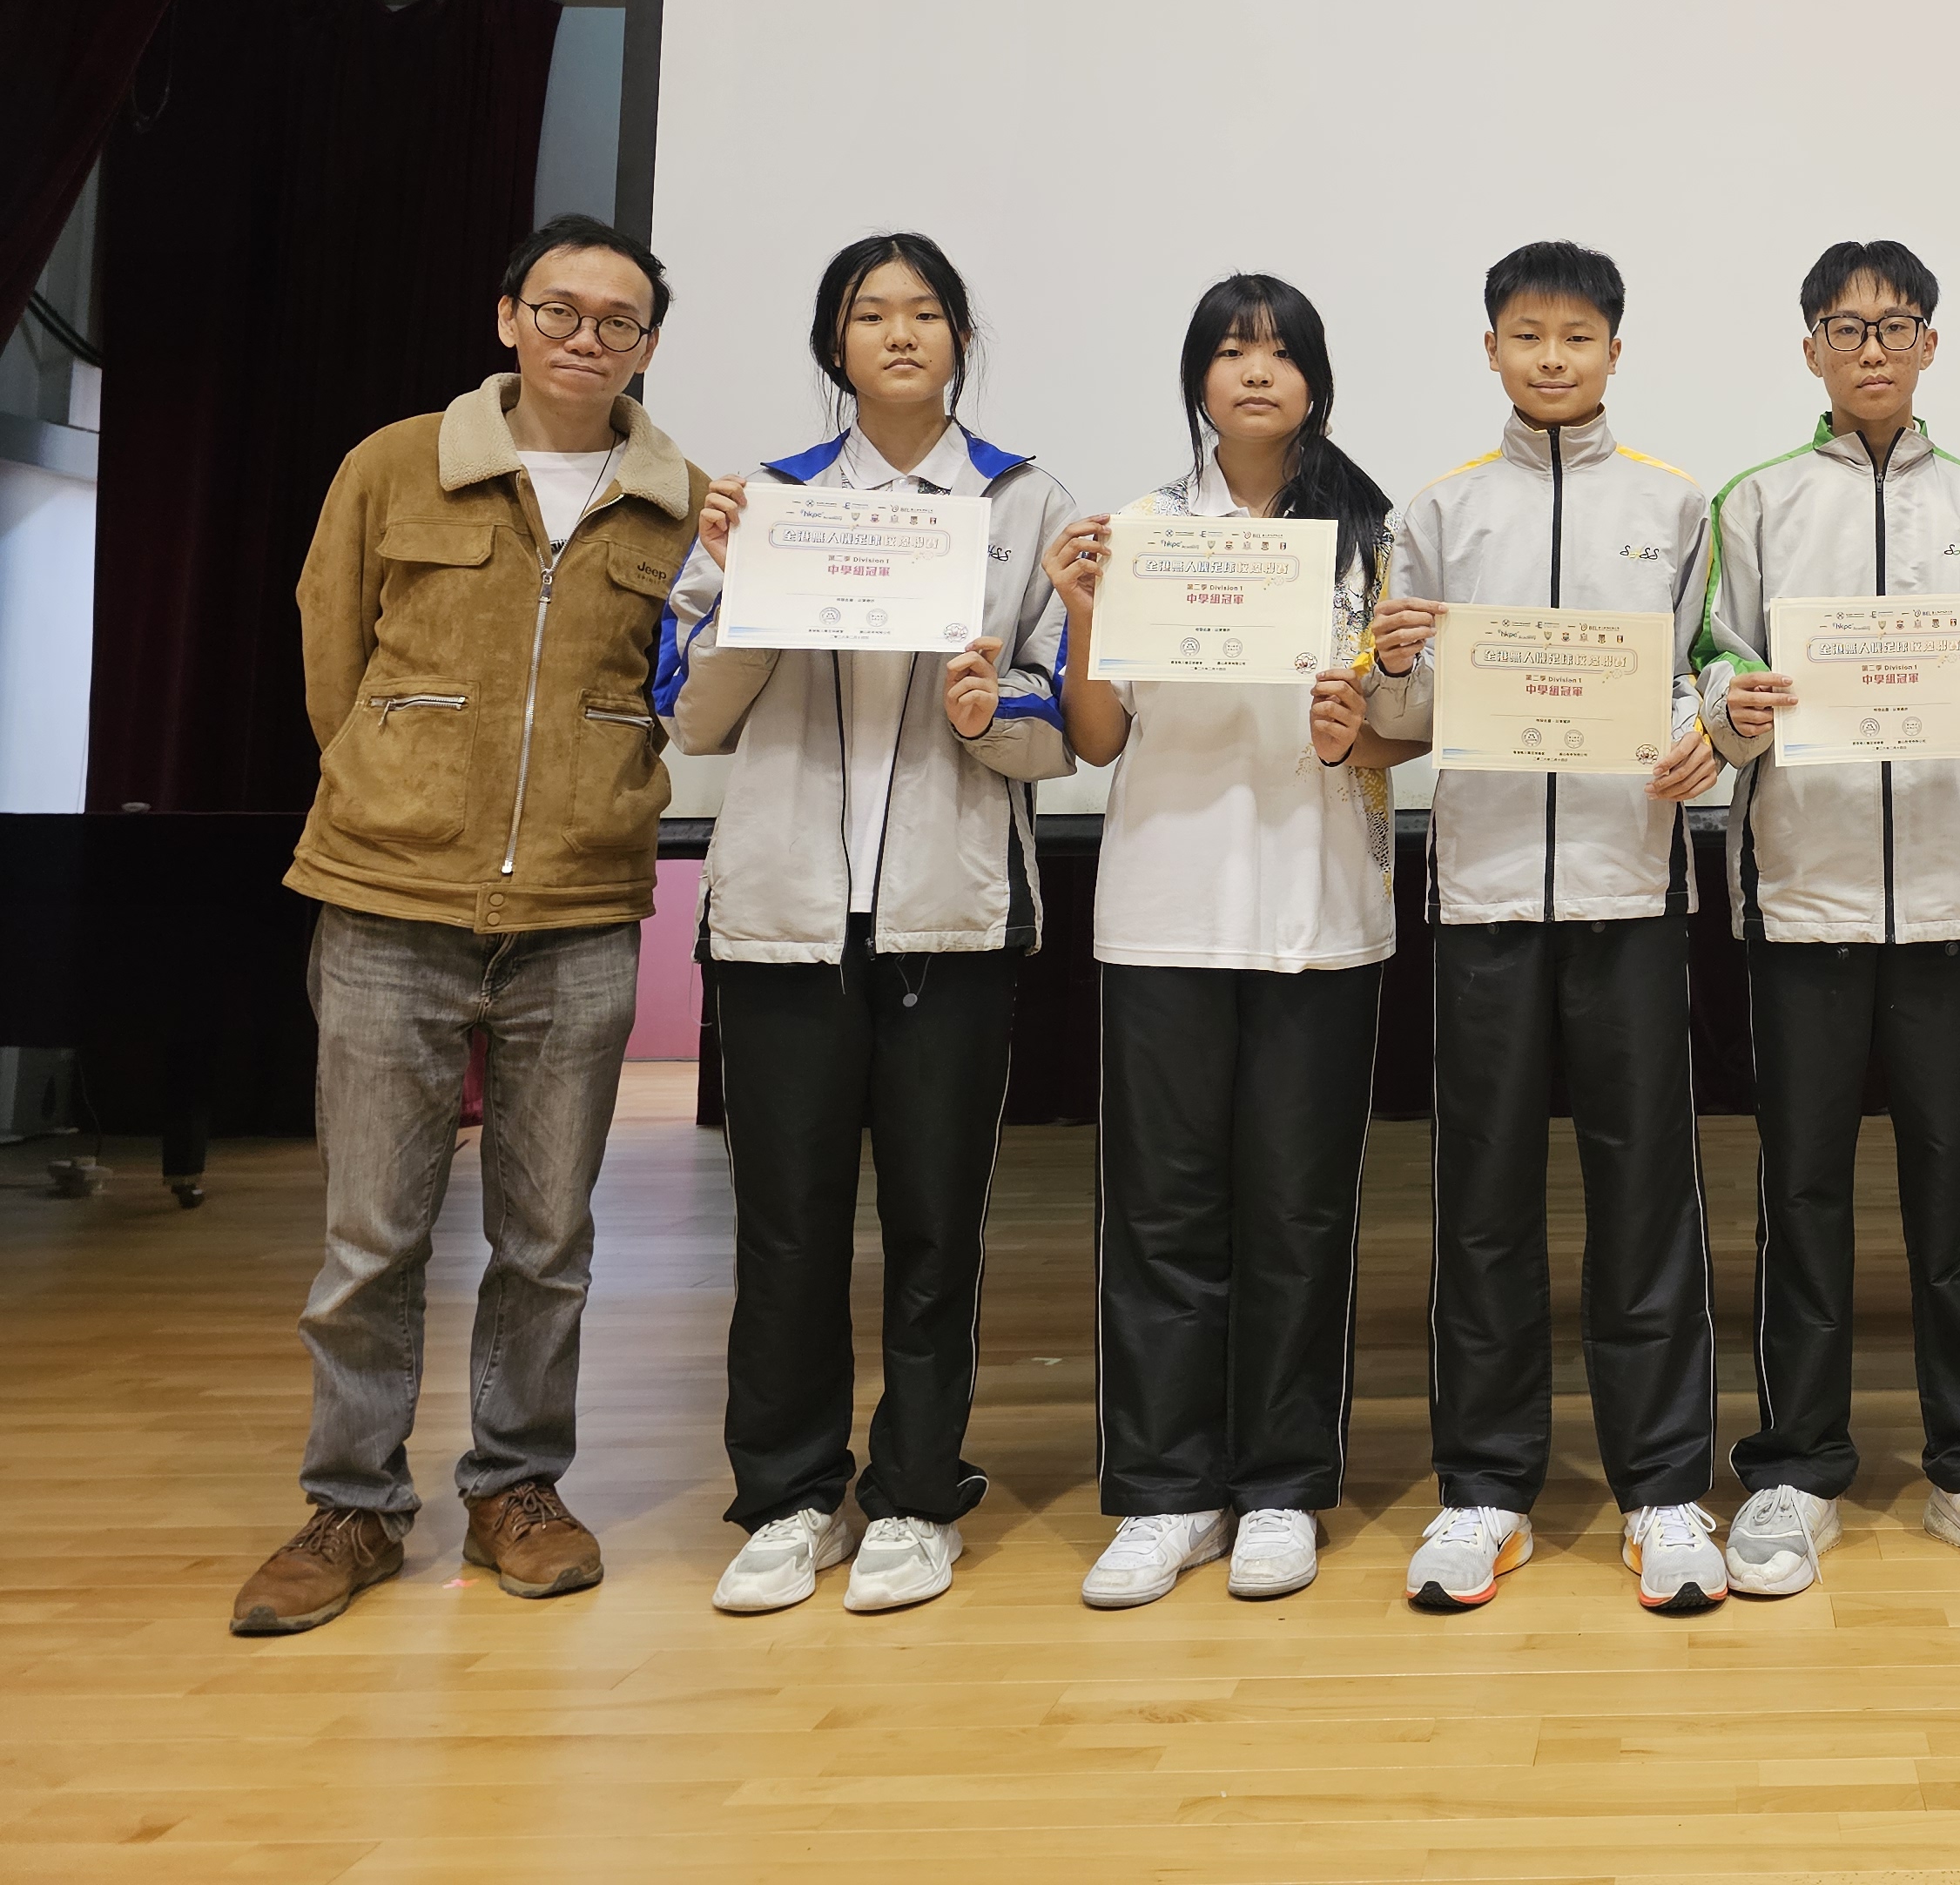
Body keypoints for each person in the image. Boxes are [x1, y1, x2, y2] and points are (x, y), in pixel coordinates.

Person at [232, 215, 708, 1636]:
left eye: (617, 321)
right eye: (559, 309)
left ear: (648, 346)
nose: (585, 338)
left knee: (548, 1235)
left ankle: (517, 1489)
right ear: (508, 316)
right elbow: (332, 648)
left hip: (580, 903)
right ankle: (352, 1505)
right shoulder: (395, 463)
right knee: (370, 1236)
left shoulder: (683, 502)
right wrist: (396, 785)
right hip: (391, 897)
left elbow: (688, 682)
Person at [666, 233, 1078, 1618]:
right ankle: (790, 1495)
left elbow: (1059, 729)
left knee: (936, 1224)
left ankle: (914, 1494)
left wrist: (987, 712)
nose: (900, 335)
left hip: (950, 917)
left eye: (925, 313)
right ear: (833, 346)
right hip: (783, 916)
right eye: (868, 315)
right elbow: (693, 718)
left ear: (960, 337)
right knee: (784, 1227)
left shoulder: (1022, 500)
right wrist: (745, 590)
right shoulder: (766, 503)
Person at [1690, 240, 1960, 1597]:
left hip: (1954, 906)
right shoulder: (1754, 504)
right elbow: (1712, 672)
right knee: (1803, 1196)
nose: (1872, 350)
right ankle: (1794, 1468)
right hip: (1804, 902)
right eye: (1846, 329)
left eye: (1896, 326)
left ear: (1930, 346)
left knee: (1953, 1200)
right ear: (1810, 349)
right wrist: (1736, 708)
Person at [1362, 241, 1728, 1613]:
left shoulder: (1677, 505)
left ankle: (1665, 1490)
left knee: (1646, 1197)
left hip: (1632, 893)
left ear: (1616, 351)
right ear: (1493, 351)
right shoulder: (1437, 511)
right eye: (1529, 335)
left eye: (1578, 336)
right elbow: (1396, 719)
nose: (1554, 358)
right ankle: (1484, 1490)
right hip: (1488, 896)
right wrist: (1394, 664)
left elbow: (1707, 677)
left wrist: (1706, 734)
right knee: (1485, 1201)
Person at [1046, 275, 1422, 1608]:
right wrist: (1081, 611)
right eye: (1229, 349)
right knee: (1163, 1213)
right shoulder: (1143, 532)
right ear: (1198, 379)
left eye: (1279, 352)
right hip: (1167, 905)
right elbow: (1097, 737)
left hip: (1318, 909)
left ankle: (1280, 1488)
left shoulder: (1370, 537)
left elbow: (1404, 729)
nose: (1255, 371)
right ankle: (1164, 1494)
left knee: (1299, 1212)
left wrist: (1365, 730)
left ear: (1315, 380)